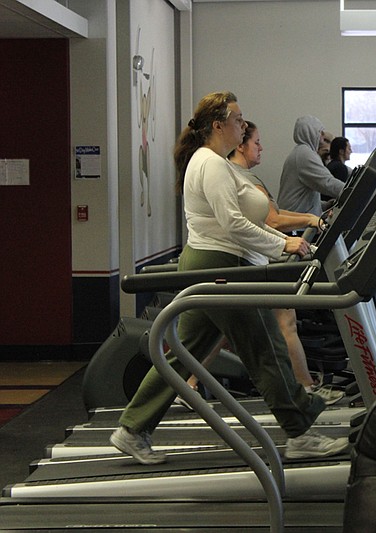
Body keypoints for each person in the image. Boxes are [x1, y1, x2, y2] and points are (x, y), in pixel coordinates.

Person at [110, 91, 348, 465]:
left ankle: (132, 428)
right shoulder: (211, 164)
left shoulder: (215, 162)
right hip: (221, 265)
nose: (243, 124)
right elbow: (233, 224)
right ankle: (300, 432)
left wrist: (278, 243)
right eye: (238, 119)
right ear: (219, 125)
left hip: (212, 263)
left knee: (184, 354)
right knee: (265, 346)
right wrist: (283, 244)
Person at [228, 120, 344, 405]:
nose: (262, 147)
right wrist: (307, 221)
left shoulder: (245, 176)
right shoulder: (241, 177)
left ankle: (303, 387)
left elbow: (270, 217)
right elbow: (272, 220)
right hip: (258, 255)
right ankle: (304, 388)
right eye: (256, 142)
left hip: (264, 252)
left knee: (231, 326)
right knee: (283, 321)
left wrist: (314, 215)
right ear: (240, 145)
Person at [278, 116, 345, 216]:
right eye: (320, 132)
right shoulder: (305, 154)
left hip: (294, 221)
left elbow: (303, 197)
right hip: (296, 226)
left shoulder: (301, 152)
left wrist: (324, 205)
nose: (323, 137)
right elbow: (327, 183)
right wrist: (354, 191)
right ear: (310, 133)